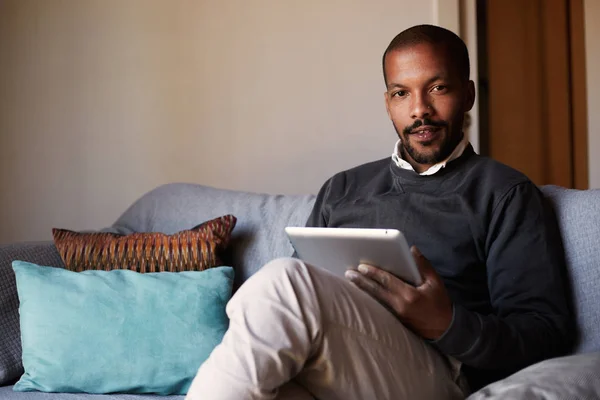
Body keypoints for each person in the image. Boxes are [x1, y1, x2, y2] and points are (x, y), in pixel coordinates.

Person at [186, 24, 573, 400]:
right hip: (339, 358)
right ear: (388, 102)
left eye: (437, 88)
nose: (420, 110)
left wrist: (446, 322)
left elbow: (543, 334)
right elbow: (287, 317)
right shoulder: (342, 188)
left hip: (440, 372)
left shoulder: (504, 192)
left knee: (283, 281)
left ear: (468, 95)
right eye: (401, 93)